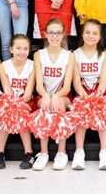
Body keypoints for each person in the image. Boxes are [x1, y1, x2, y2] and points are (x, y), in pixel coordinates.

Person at [31, 19, 76, 171]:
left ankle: (61, 152)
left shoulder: (69, 55)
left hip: (63, 95)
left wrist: (56, 96)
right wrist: (46, 96)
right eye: (51, 33)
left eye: (58, 33)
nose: (54, 36)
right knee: (44, 106)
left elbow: (68, 86)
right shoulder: (38, 54)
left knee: (59, 105)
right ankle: (43, 153)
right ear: (45, 34)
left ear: (63, 34)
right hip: (43, 94)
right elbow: (38, 85)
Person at [71, 19, 106, 170]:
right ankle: (79, 151)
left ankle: (104, 151)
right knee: (80, 107)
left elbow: (104, 82)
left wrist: (96, 98)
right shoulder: (74, 55)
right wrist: (85, 99)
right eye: (87, 32)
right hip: (81, 93)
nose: (91, 36)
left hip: (99, 93)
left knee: (104, 107)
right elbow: (76, 82)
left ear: (100, 36)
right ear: (82, 34)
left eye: (95, 33)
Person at [0, 34, 37, 170]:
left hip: (26, 101)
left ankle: (29, 152)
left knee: (21, 111)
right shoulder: (3, 66)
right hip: (9, 100)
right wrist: (12, 104)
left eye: (25, 49)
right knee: (6, 111)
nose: (22, 52)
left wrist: (19, 104)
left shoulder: (32, 65)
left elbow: (29, 93)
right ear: (11, 49)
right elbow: (7, 90)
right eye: (18, 48)